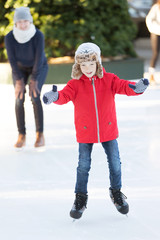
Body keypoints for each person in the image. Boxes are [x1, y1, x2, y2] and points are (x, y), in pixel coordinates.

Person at [43, 42, 149, 219]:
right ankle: (80, 198)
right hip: (85, 132)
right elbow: (63, 96)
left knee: (115, 163)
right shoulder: (75, 84)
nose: (87, 68)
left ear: (98, 63)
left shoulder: (109, 79)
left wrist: (136, 88)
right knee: (83, 166)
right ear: (78, 66)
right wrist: (55, 97)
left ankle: (116, 193)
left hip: (108, 130)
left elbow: (124, 86)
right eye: (83, 65)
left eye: (91, 64)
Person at [5, 7, 48, 148]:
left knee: (35, 96)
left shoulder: (38, 35)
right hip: (19, 69)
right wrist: (18, 81)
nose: (23, 25)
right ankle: (21, 135)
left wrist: (34, 80)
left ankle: (40, 135)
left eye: (25, 21)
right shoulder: (10, 37)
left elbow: (38, 58)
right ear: (15, 23)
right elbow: (11, 60)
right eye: (20, 22)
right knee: (19, 99)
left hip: (38, 67)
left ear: (30, 21)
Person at [146, 0, 160, 84]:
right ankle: (151, 75)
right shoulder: (156, 8)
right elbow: (149, 20)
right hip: (156, 33)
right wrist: (155, 29)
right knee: (155, 53)